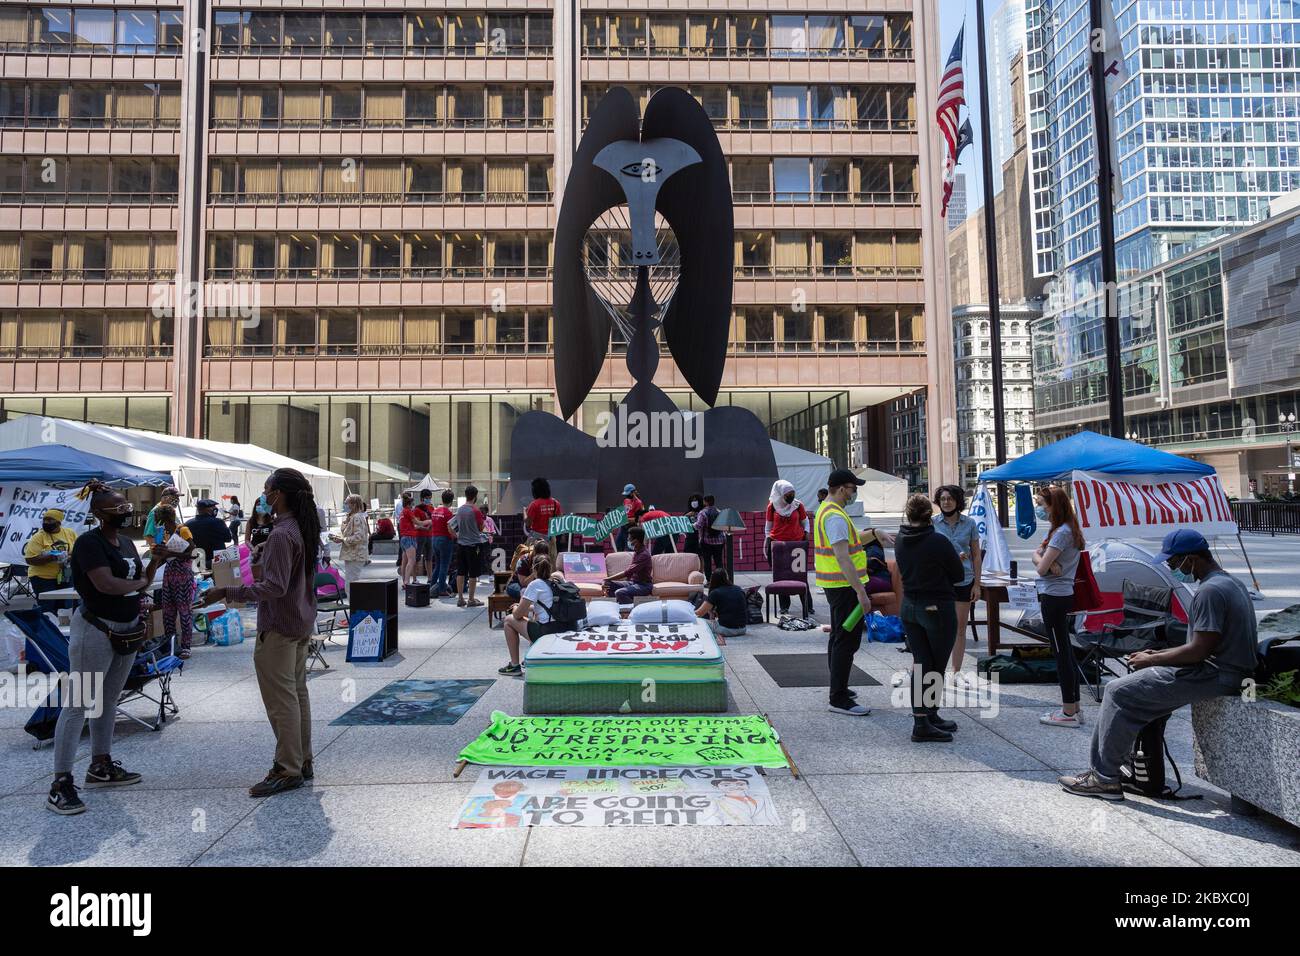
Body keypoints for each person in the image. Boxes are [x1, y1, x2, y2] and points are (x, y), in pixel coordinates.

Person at [1059, 530, 1260, 801]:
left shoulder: (1210, 592)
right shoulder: (1229, 583)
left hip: (1215, 675)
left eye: (1174, 563)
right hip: (1230, 672)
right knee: (1138, 690)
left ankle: (1104, 778)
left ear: (1191, 558)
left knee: (1119, 691)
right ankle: (1127, 769)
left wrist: (1151, 659)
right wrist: (1162, 655)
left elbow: (1199, 651)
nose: (1172, 568)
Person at [202, 468, 321, 798]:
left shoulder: (283, 534)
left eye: (267, 489)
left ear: (278, 495)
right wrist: (262, 558)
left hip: (280, 626)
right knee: (296, 696)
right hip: (299, 622)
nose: (263, 496)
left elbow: (275, 587)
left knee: (281, 702)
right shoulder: (300, 529)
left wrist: (226, 592)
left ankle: (287, 768)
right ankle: (302, 761)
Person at [47, 480, 161, 815]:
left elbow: (140, 578)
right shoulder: (88, 543)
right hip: (95, 629)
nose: (126, 511)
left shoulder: (126, 542)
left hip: (126, 629)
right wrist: (140, 584)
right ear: (99, 514)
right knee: (78, 704)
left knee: (109, 699)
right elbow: (106, 584)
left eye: (127, 506)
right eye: (118, 508)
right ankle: (61, 783)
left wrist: (156, 561)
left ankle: (100, 764)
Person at [894, 492, 965, 742]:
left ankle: (928, 715)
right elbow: (958, 575)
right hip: (937, 607)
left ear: (909, 514)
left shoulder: (901, 539)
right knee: (934, 666)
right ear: (929, 516)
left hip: (910, 607)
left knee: (921, 662)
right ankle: (922, 723)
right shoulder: (938, 541)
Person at [813, 468, 872, 717]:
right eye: (852, 488)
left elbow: (849, 542)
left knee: (838, 637)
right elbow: (842, 555)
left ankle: (839, 689)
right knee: (846, 642)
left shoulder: (827, 511)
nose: (854, 493)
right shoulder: (835, 516)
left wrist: (874, 534)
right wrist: (860, 591)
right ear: (840, 488)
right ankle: (838, 697)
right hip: (845, 587)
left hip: (835, 586)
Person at [1034, 485, 1086, 728]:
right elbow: (1040, 557)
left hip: (1054, 597)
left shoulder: (1062, 533)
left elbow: (1041, 566)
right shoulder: (1067, 530)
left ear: (1055, 505)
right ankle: (1074, 707)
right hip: (1061, 594)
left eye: (1043, 505)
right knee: (1064, 649)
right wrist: (1044, 560)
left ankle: (1067, 712)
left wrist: (1045, 562)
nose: (1040, 509)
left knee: (1060, 652)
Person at [931, 484, 982, 686]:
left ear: (958, 501)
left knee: (960, 628)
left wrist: (977, 584)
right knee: (935, 627)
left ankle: (956, 672)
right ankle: (932, 670)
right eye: (942, 499)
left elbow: (976, 555)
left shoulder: (969, 524)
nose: (946, 502)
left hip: (964, 580)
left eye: (950, 499)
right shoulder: (932, 523)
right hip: (939, 582)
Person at [498, 556, 566, 676]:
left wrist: (515, 608)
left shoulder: (535, 584)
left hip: (547, 631)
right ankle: (532, 656)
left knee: (509, 620)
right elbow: (547, 607)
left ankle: (514, 666)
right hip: (564, 628)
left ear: (534, 570)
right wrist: (529, 608)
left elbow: (518, 615)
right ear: (550, 568)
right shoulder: (556, 582)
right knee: (536, 615)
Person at [149, 504, 198, 658]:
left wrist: (168, 552)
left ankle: (186, 647)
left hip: (182, 575)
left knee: (184, 612)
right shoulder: (166, 533)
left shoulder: (182, 530)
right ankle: (170, 646)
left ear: (164, 519)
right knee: (168, 613)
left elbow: (192, 552)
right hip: (169, 575)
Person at [765, 480, 811, 615]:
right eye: (788, 494)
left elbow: (805, 521)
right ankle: (784, 606)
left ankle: (807, 605)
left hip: (797, 545)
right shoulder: (772, 507)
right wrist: (768, 541)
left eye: (793, 493)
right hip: (778, 545)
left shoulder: (798, 505)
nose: (791, 496)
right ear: (780, 494)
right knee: (780, 577)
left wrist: (807, 533)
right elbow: (768, 527)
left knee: (801, 576)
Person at [24, 508, 78, 610]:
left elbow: (78, 551)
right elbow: (29, 559)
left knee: (65, 607)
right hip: (42, 578)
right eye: (44, 520)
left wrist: (69, 557)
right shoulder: (38, 537)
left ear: (58, 522)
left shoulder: (70, 533)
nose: (46, 522)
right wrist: (52, 557)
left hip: (65, 576)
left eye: (49, 520)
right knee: (47, 607)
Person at [449, 485, 486, 607]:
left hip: (461, 545)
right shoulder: (476, 511)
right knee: (473, 573)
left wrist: (457, 536)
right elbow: (481, 528)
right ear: (475, 496)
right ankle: (471, 599)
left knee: (461, 572)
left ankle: (460, 598)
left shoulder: (459, 510)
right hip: (474, 545)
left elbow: (450, 525)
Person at [331, 494, 369, 597]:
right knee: (350, 581)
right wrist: (340, 538)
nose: (345, 505)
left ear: (353, 504)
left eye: (346, 503)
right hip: (352, 555)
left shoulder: (357, 517)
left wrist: (343, 540)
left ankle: (355, 607)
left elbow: (358, 536)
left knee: (351, 583)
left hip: (355, 555)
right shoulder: (351, 516)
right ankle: (354, 606)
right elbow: (348, 533)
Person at [696, 568, 747, 645]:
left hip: (726, 630)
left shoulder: (716, 593)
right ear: (727, 577)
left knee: (699, 621)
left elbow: (699, 614)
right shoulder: (738, 589)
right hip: (743, 629)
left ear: (713, 580)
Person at [604, 526, 653, 604]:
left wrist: (608, 578)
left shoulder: (644, 555)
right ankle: (618, 606)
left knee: (620, 593)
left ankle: (633, 611)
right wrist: (608, 581)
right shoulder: (637, 552)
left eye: (629, 539)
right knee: (609, 585)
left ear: (636, 541)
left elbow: (628, 572)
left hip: (644, 585)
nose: (627, 540)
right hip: (633, 583)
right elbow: (630, 575)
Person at [184, 498, 233, 570]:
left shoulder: (188, 523)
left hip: (198, 561)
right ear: (206, 509)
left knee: (199, 580)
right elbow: (228, 539)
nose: (215, 508)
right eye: (213, 507)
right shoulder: (218, 522)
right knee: (219, 580)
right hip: (216, 560)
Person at [428, 490, 456, 596]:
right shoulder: (448, 513)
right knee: (444, 565)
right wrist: (456, 536)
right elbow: (450, 529)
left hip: (434, 539)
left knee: (438, 565)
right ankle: (441, 590)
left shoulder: (435, 511)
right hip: (445, 540)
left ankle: (432, 586)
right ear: (451, 501)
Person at [695, 494, 725, 579]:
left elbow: (699, 526)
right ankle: (721, 579)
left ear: (705, 502)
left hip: (706, 541)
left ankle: (709, 580)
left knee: (707, 562)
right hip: (719, 541)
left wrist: (693, 524)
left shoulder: (703, 512)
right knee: (719, 562)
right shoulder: (719, 512)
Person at [524, 478, 561, 543]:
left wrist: (524, 512)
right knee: (551, 553)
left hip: (536, 538)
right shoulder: (556, 503)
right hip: (551, 538)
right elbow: (559, 522)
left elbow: (528, 524)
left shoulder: (534, 504)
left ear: (535, 491)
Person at [396, 492, 421, 588]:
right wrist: (428, 521)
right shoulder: (408, 511)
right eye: (412, 504)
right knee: (411, 560)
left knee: (405, 561)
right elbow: (417, 522)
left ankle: (404, 581)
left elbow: (412, 524)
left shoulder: (403, 512)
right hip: (409, 538)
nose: (413, 506)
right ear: (409, 504)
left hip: (404, 537)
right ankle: (406, 581)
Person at [414, 489, 437, 582]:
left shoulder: (431, 508)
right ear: (422, 498)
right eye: (427, 498)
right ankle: (414, 578)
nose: (429, 500)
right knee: (417, 558)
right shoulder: (417, 509)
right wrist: (425, 527)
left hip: (430, 535)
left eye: (430, 498)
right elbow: (416, 524)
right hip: (420, 535)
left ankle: (430, 578)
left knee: (429, 557)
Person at [616, 483, 644, 552]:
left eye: (628, 494)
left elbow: (638, 519)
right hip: (623, 526)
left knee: (629, 548)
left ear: (633, 492)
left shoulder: (639, 503)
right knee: (618, 544)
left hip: (631, 528)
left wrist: (626, 520)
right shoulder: (626, 500)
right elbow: (623, 512)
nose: (626, 495)